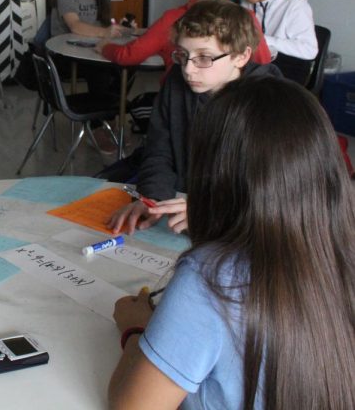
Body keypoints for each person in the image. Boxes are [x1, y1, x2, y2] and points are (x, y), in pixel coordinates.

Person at [108, 76, 355, 409]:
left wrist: (137, 328)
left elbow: (133, 406)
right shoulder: (340, 251)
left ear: (214, 173)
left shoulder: (211, 275)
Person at [108, 0, 281, 235]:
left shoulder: (270, 102)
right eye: (183, 55)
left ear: (241, 56)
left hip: (242, 224)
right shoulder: (176, 82)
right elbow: (160, 148)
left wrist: (208, 210)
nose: (188, 69)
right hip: (186, 207)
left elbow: (271, 189)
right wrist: (153, 198)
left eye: (204, 58)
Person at [97, 0, 271, 79]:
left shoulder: (172, 19)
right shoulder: (245, 16)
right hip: (231, 105)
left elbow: (129, 55)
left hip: (181, 100)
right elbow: (263, 63)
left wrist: (105, 46)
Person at [50, 0, 127, 151]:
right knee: (100, 71)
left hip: (87, 50)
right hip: (64, 56)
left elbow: (101, 26)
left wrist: (120, 28)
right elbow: (75, 26)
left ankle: (107, 116)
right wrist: (105, 33)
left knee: (125, 66)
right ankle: (97, 125)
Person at [227, 0, 318, 85]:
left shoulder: (294, 4)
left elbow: (310, 50)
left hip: (288, 67)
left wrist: (264, 40)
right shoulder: (245, 2)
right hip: (256, 63)